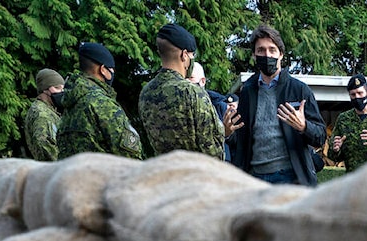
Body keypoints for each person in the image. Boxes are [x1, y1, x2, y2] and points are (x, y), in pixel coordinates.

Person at [223, 24, 326, 186]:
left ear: (281, 55)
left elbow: (321, 136)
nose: (267, 55)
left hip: (290, 177)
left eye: (272, 50)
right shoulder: (247, 92)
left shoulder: (299, 90)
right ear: (254, 56)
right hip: (254, 178)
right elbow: (241, 139)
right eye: (261, 50)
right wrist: (228, 133)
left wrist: (304, 126)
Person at [138, 25, 224, 159]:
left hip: (163, 174)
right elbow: (212, 152)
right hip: (194, 175)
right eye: (192, 55)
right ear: (184, 55)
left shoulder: (145, 93)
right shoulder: (193, 92)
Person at [56, 42, 142, 159]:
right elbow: (130, 156)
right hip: (103, 175)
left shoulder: (69, 103)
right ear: (102, 69)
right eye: (111, 69)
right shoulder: (102, 104)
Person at [24, 69, 65, 161]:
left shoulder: (49, 110)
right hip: (50, 170)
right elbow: (44, 144)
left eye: (63, 88)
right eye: (57, 88)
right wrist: (65, 164)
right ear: (45, 89)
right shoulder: (42, 114)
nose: (61, 92)